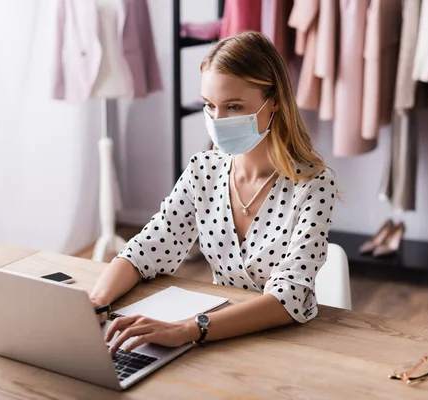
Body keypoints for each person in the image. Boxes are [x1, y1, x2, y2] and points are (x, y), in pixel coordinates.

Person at [91, 31, 337, 354]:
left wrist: (188, 329)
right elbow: (148, 248)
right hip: (219, 341)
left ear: (274, 101)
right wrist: (96, 302)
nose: (218, 121)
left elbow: (286, 299)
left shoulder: (313, 185)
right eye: (209, 106)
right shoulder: (202, 171)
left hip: (286, 345)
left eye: (233, 107)